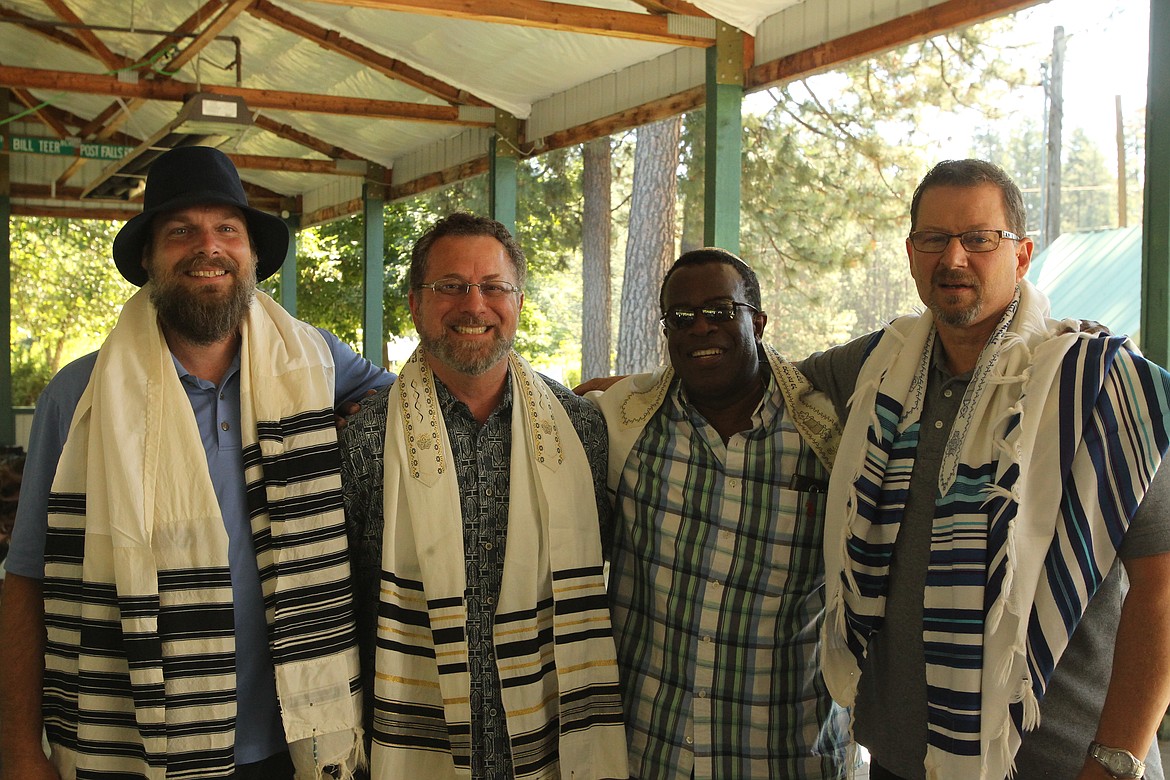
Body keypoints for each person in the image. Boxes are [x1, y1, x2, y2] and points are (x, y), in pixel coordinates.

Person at [0, 145, 393, 780]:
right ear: (150, 261)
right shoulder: (80, 397)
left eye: (226, 230)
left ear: (252, 256)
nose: (206, 247)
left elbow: (409, 400)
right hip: (133, 734)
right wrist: (18, 748)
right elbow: (27, 579)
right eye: (180, 231)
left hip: (297, 737)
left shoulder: (313, 364)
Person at [800, 159, 1170, 780]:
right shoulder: (878, 369)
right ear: (912, 253)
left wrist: (1116, 761)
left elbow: (1161, 593)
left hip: (1061, 760)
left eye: (979, 239)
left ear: (1021, 255)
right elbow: (757, 379)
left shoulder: (1099, 389)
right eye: (934, 239)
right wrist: (621, 398)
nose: (955, 259)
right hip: (900, 757)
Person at [339, 212, 627, 779]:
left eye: (493, 287)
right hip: (412, 740)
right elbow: (343, 603)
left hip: (549, 737)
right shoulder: (365, 437)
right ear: (415, 304)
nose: (474, 305)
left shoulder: (580, 430)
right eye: (450, 287)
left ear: (517, 302)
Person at [587, 248, 848, 779]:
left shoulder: (830, 434)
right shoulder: (625, 424)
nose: (700, 327)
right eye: (681, 318)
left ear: (758, 319)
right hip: (647, 753)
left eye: (720, 311)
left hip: (787, 754)